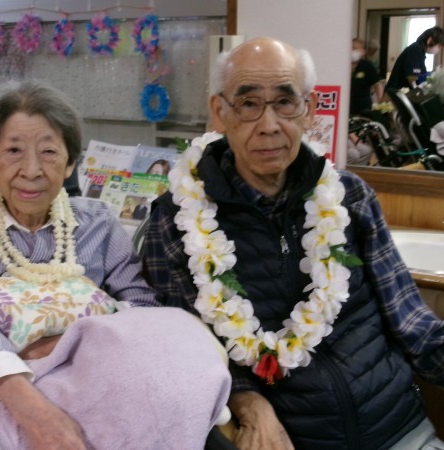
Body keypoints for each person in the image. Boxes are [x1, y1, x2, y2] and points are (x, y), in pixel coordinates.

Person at [0, 78, 232, 449]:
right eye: (13, 151)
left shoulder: (97, 222)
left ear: (71, 163)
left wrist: (70, 342)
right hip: (7, 384)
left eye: (49, 152)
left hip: (101, 371)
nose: (32, 170)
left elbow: (141, 306)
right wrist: (37, 412)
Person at [143, 36, 444, 450]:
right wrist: (248, 401)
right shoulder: (175, 220)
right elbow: (185, 351)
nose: (269, 125)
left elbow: (413, 324)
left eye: (285, 102)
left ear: (309, 108)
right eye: (248, 103)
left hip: (401, 432)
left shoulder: (350, 197)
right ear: (220, 111)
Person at [385, 26, 444, 91]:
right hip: (395, 93)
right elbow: (412, 79)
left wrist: (434, 73)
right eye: (439, 46)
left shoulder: (420, 52)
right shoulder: (415, 50)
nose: (439, 50)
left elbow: (420, 76)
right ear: (430, 41)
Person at [350, 38, 383, 116]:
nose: (353, 51)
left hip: (363, 107)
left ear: (363, 52)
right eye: (352, 48)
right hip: (345, 106)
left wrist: (380, 102)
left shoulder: (367, 66)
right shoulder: (342, 65)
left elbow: (377, 85)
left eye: (356, 49)